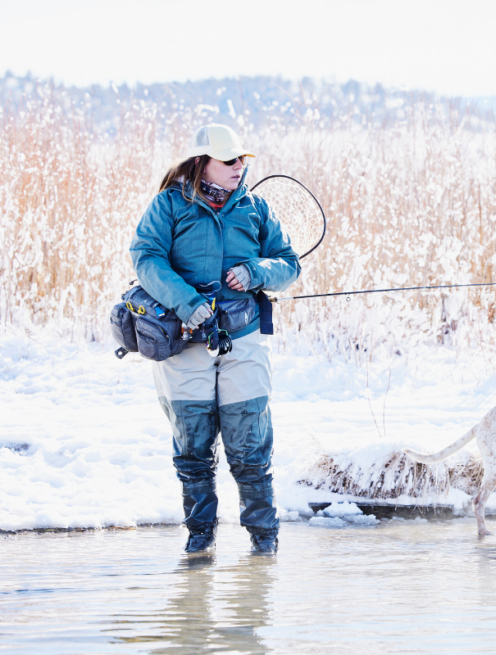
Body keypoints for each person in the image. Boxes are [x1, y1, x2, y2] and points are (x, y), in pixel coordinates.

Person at [130, 123, 300, 555]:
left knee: (250, 450)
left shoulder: (256, 208)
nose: (238, 166)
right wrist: (187, 302)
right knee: (193, 449)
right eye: (229, 160)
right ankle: (199, 543)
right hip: (185, 344)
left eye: (241, 159)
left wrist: (256, 273)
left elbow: (288, 264)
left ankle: (264, 545)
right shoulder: (168, 206)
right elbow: (145, 258)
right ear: (201, 163)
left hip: (243, 340)